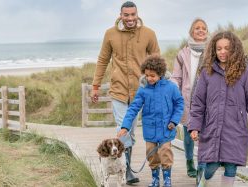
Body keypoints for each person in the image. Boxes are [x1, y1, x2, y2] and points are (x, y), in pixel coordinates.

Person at [90, 1, 160, 185]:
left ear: (137, 14)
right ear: (120, 15)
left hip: (140, 91)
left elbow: (157, 60)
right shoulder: (110, 34)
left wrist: (160, 85)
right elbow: (103, 60)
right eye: (126, 15)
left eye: (133, 14)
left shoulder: (149, 34)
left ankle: (124, 165)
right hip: (119, 90)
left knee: (132, 133)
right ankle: (127, 170)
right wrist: (95, 86)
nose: (130, 18)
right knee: (124, 128)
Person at [188, 31, 248, 187]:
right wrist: (194, 126)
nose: (223, 52)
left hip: (235, 129)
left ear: (234, 49)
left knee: (231, 166)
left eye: (227, 48)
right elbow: (198, 103)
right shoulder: (207, 72)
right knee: (211, 165)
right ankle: (203, 183)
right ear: (214, 50)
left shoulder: (244, 72)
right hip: (212, 127)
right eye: (219, 49)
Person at [118, 55, 184, 187]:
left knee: (165, 152)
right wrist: (125, 126)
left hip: (167, 128)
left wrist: (174, 121)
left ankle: (167, 179)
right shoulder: (143, 89)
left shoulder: (171, 87)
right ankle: (155, 179)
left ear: (160, 73)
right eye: (147, 75)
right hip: (150, 130)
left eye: (152, 75)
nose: (149, 78)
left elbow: (179, 104)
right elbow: (133, 108)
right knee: (151, 154)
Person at [171, 18, 209, 178]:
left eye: (203, 28)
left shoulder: (213, 51)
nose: (200, 30)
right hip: (187, 99)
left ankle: (202, 165)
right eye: (197, 28)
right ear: (191, 32)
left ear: (207, 31)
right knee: (188, 134)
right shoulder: (182, 54)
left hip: (207, 100)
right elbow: (176, 78)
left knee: (205, 134)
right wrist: (174, 95)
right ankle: (189, 162)